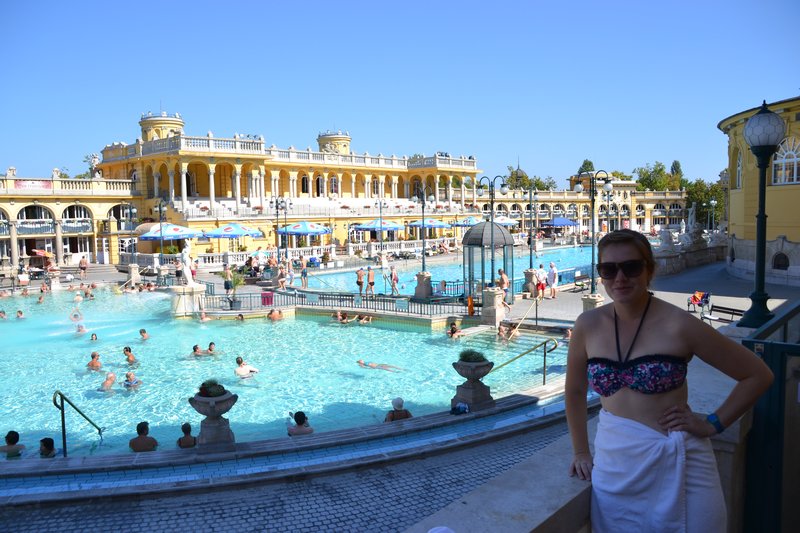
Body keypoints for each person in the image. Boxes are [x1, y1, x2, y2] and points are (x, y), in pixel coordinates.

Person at [565, 229, 773, 532]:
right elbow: (573, 391)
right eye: (608, 269)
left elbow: (758, 375)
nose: (619, 278)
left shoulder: (680, 324)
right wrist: (581, 451)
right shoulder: (588, 324)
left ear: (650, 269)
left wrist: (713, 424)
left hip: (681, 461)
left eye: (631, 267)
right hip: (617, 465)